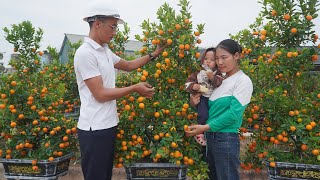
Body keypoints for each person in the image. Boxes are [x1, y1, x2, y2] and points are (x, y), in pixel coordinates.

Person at [74, 2, 166, 180]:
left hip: (108, 124)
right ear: (97, 24)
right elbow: (100, 94)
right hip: (94, 129)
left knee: (104, 175)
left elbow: (129, 66)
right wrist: (134, 88)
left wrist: (155, 53)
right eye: (113, 26)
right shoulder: (86, 53)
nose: (115, 31)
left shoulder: (104, 51)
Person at [186, 39, 253, 180]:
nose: (220, 62)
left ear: (236, 56)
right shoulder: (218, 81)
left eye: (224, 57)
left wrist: (205, 127)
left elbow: (233, 115)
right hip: (210, 137)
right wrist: (194, 102)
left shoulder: (242, 80)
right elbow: (209, 107)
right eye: (217, 58)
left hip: (225, 139)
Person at [185, 47, 223, 145]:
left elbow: (219, 83)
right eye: (206, 59)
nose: (208, 62)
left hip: (214, 100)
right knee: (203, 115)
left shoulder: (218, 73)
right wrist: (194, 86)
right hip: (202, 98)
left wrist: (212, 78)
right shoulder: (198, 73)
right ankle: (200, 133)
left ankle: (209, 135)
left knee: (213, 117)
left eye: (212, 60)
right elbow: (188, 83)